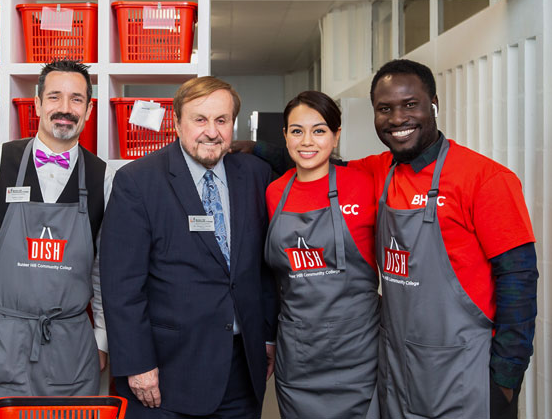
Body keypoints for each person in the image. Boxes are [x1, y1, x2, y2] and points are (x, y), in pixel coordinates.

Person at [349, 59, 538, 419]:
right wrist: (249, 151)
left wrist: (506, 379)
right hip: (399, 371)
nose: (397, 119)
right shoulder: (377, 171)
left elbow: (519, 280)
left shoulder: (485, 179)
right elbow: (318, 164)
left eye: (410, 105)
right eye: (384, 109)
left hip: (465, 374)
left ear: (433, 104)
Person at [100, 76, 278, 419]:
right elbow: (121, 285)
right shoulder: (138, 181)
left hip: (242, 370)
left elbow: (263, 268)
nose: (211, 132)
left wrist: (267, 337)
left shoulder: (256, 175)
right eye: (200, 119)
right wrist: (138, 364)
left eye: (221, 120)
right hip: (166, 376)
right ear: (177, 123)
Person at [0, 59, 113, 419]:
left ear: (89, 108)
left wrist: (100, 336)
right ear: (37, 104)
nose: (65, 109)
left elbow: (102, 268)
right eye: (54, 97)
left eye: (76, 99)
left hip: (69, 348)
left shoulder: (102, 177)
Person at [264, 91, 379, 419]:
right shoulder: (275, 193)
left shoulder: (364, 182)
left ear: (336, 135)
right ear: (285, 136)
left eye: (319, 130)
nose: (307, 141)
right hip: (299, 354)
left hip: (358, 351)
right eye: (297, 131)